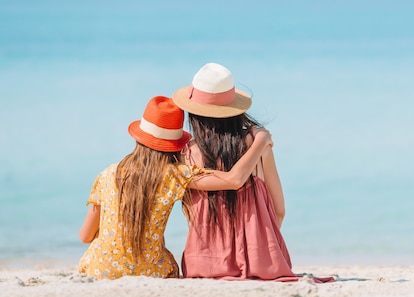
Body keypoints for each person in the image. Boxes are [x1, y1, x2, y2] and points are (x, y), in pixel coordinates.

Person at [78, 95, 273, 280]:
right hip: (152, 270)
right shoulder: (175, 175)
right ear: (174, 144)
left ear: (139, 137)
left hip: (100, 268)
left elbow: (85, 236)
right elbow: (234, 180)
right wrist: (260, 141)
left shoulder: (107, 175)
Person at [173, 63, 332, 282]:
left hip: (201, 264)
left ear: (194, 114)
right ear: (234, 109)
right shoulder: (256, 144)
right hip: (262, 263)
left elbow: (191, 215)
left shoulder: (186, 154)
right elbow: (279, 210)